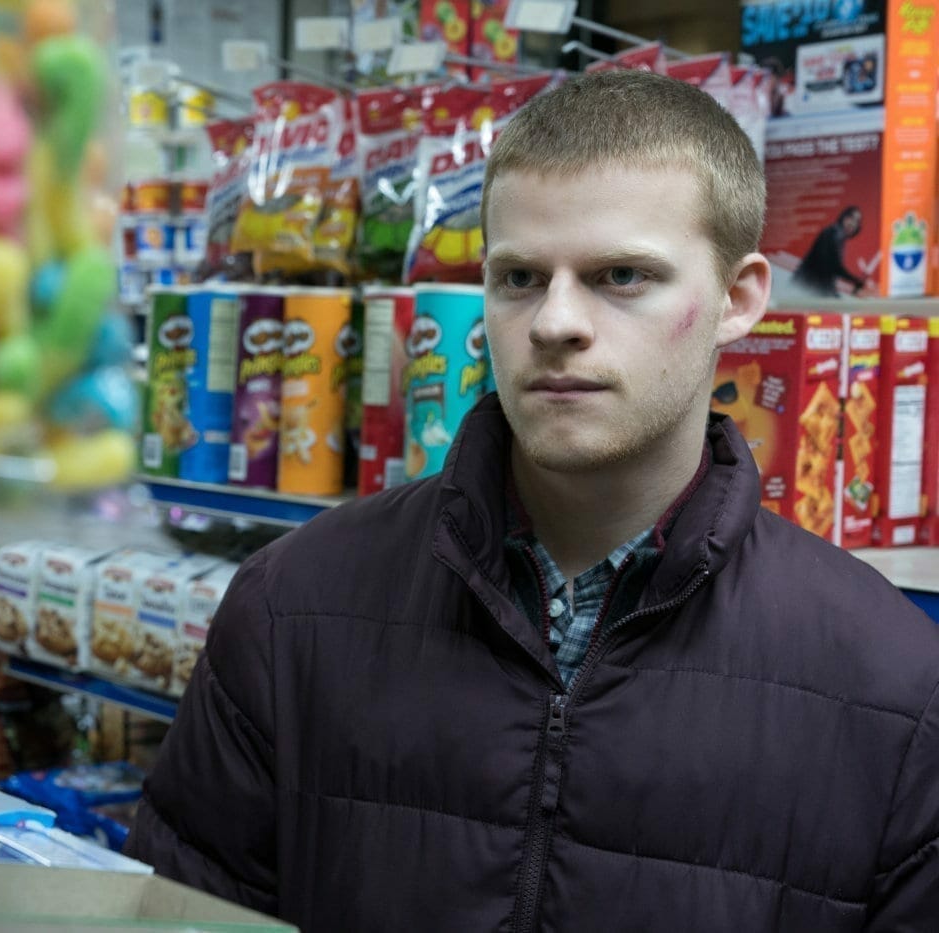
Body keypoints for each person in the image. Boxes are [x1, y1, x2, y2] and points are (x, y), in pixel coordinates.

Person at [124, 71, 939, 932]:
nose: (554, 323)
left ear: (738, 300)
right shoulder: (289, 607)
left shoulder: (894, 685)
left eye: (620, 275)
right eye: (518, 277)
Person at [792, 205, 868, 297]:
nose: (853, 224)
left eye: (856, 221)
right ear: (843, 217)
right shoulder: (834, 234)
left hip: (812, 285)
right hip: (807, 285)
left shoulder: (838, 235)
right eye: (851, 218)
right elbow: (833, 266)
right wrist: (855, 280)